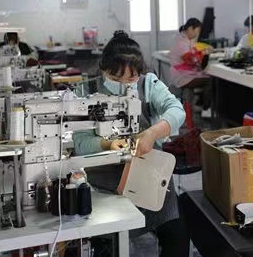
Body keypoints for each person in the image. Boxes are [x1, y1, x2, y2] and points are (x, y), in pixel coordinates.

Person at [73, 31, 188, 257]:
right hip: (104, 184)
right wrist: (107, 144)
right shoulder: (85, 92)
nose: (124, 86)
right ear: (103, 70)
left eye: (131, 79)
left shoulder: (148, 84)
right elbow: (80, 143)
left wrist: (152, 133)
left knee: (177, 237)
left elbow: (177, 111)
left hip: (150, 176)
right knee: (104, 245)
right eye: (116, 79)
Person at [169, 18, 212, 118]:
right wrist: (203, 53)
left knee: (207, 77)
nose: (197, 34)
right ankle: (205, 108)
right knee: (210, 81)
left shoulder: (187, 40)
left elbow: (194, 52)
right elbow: (192, 60)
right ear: (190, 29)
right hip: (182, 77)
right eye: (197, 31)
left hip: (186, 74)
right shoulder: (181, 42)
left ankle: (199, 104)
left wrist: (200, 53)